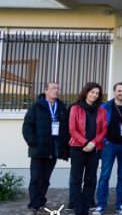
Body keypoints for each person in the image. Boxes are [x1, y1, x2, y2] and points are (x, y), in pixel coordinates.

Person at [23, 82, 70, 215]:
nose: (56, 90)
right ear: (46, 91)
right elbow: (27, 126)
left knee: (46, 179)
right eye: (53, 88)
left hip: (53, 149)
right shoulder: (36, 106)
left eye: (57, 88)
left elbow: (65, 128)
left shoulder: (61, 107)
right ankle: (33, 205)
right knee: (35, 178)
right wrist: (32, 141)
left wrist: (64, 145)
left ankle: (41, 202)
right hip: (38, 149)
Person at [69, 83, 108, 215]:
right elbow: (72, 129)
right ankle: (79, 210)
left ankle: (85, 209)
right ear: (86, 92)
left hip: (94, 149)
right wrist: (86, 142)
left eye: (97, 93)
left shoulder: (101, 111)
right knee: (76, 180)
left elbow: (104, 130)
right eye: (92, 92)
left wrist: (93, 143)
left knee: (90, 180)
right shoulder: (75, 108)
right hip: (77, 148)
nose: (94, 95)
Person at [95, 82, 122, 215]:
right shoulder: (105, 107)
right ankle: (100, 205)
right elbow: (99, 125)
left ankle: (120, 204)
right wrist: (104, 141)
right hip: (109, 145)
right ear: (114, 91)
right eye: (119, 90)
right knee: (105, 176)